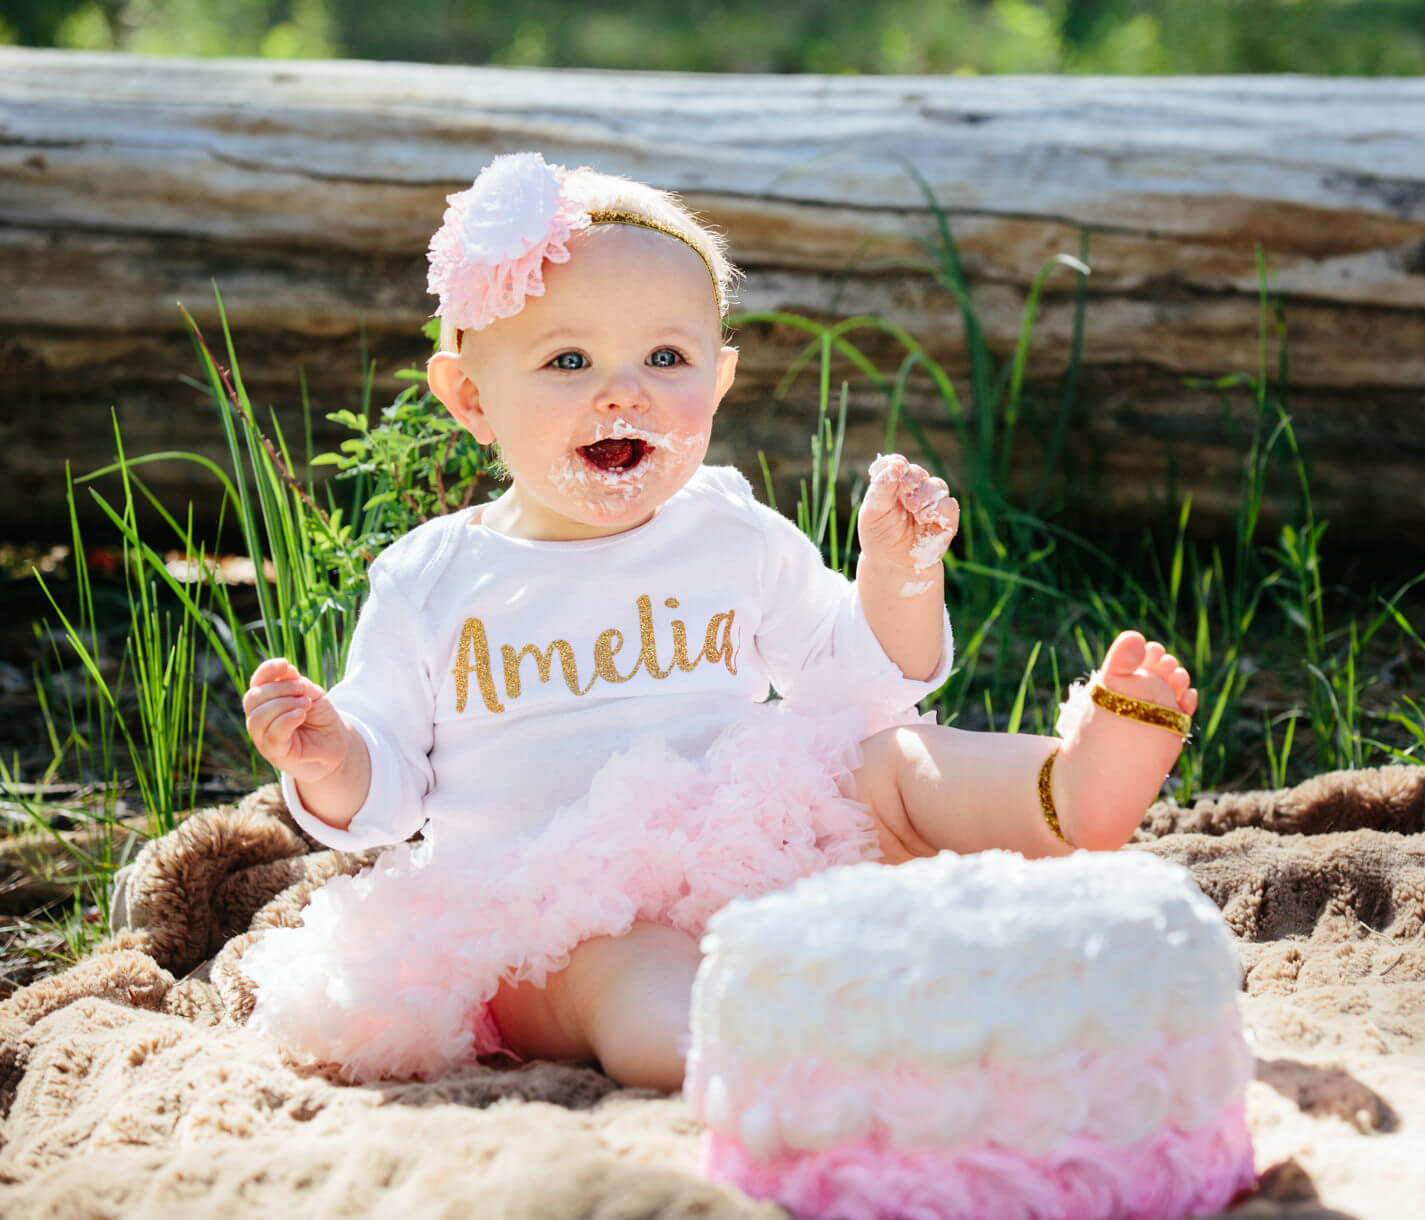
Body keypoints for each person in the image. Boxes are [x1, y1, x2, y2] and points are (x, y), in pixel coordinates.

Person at [238, 153, 1198, 1090]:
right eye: (568, 359)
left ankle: (1067, 791)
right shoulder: (436, 578)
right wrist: (332, 758)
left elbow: (855, 683)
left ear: (720, 381)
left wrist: (896, 578)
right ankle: (747, 1051)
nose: (626, 391)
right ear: (472, 398)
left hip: (746, 847)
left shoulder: (727, 528)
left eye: (667, 357)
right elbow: (389, 790)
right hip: (550, 921)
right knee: (631, 970)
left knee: (896, 766)